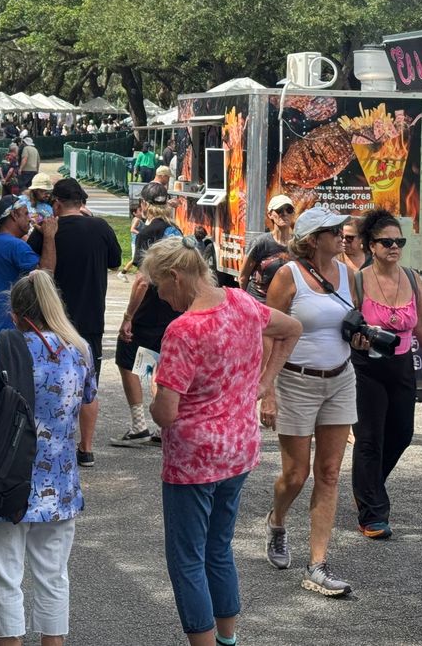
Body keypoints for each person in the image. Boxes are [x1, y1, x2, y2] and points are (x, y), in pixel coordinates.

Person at [144, 237, 303, 646]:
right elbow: (291, 328)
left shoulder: (183, 330)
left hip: (193, 459)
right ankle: (228, 639)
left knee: (187, 559)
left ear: (176, 277)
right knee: (219, 549)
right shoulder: (240, 302)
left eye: (160, 287)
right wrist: (265, 382)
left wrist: (154, 395)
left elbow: (165, 413)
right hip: (238, 448)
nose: (162, 298)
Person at [0, 271, 95, 646]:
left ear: (15, 312)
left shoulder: (2, 347)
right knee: (54, 575)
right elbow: (87, 402)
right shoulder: (79, 349)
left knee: (3, 577)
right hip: (60, 485)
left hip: (7, 480)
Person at [263, 205, 356, 597]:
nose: (342, 235)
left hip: (341, 379)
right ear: (313, 239)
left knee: (331, 472)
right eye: (333, 230)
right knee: (296, 474)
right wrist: (266, 391)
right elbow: (267, 332)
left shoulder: (350, 274)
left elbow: (353, 323)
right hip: (295, 383)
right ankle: (277, 520)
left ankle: (317, 564)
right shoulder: (288, 276)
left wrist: (363, 337)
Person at [350, 210, 422, 539]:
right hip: (366, 367)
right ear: (370, 246)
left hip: (402, 364)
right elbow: (346, 323)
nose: (394, 247)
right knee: (370, 439)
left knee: (402, 433)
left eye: (398, 241)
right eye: (386, 242)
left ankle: (367, 485)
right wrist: (355, 337)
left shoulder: (412, 277)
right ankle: (372, 513)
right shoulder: (358, 280)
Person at [28, 178, 120, 468]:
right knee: (87, 384)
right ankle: (87, 447)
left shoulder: (46, 230)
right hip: (92, 316)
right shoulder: (101, 228)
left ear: (56, 202)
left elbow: (32, 264)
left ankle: (55, 439)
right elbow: (116, 262)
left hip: (54, 318)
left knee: (51, 381)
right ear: (83, 202)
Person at [111, 182, 181, 447]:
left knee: (126, 357)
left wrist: (128, 316)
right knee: (161, 364)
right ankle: (165, 427)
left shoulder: (146, 233)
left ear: (143, 205)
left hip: (150, 309)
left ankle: (139, 424)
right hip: (175, 307)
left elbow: (142, 280)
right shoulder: (176, 232)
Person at [0, 195, 57, 332]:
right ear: (14, 215)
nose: (30, 218)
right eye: (26, 213)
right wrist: (49, 236)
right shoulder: (15, 246)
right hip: (8, 326)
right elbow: (46, 273)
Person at [238, 194, 295, 302]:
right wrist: (246, 303)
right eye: (279, 210)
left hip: (285, 304)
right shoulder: (260, 243)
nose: (284, 214)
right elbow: (243, 277)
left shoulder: (298, 245)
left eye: (289, 210)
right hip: (260, 303)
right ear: (270, 215)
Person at [117, 199, 143, 280]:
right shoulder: (137, 219)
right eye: (140, 210)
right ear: (134, 213)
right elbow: (132, 229)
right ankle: (122, 273)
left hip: (137, 242)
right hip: (135, 243)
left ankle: (140, 274)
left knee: (140, 259)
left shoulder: (139, 219)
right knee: (134, 259)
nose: (142, 212)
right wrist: (141, 234)